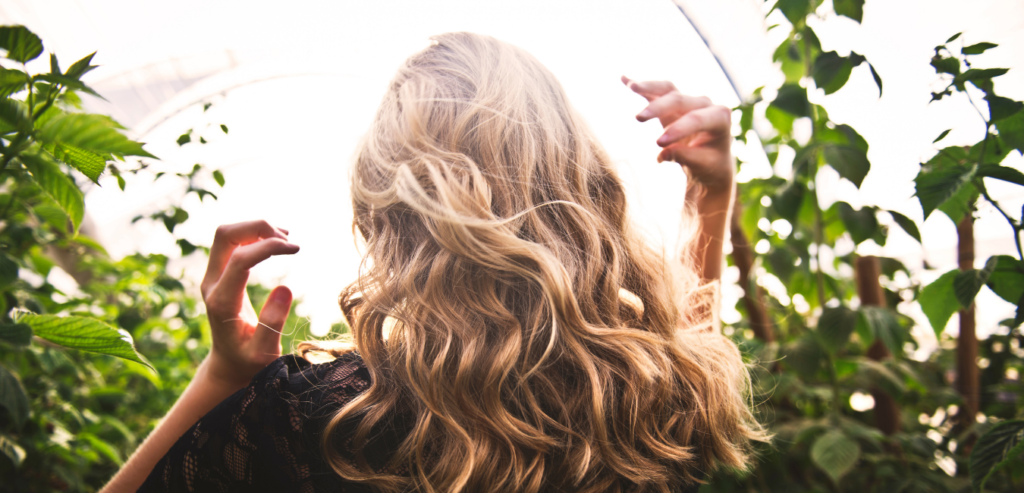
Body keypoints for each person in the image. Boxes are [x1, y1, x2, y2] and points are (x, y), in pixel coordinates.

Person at [102, 32, 763, 493]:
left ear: (386, 212)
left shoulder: (323, 421)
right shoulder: (644, 393)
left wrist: (222, 377)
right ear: (579, 185)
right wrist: (710, 198)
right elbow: (686, 351)